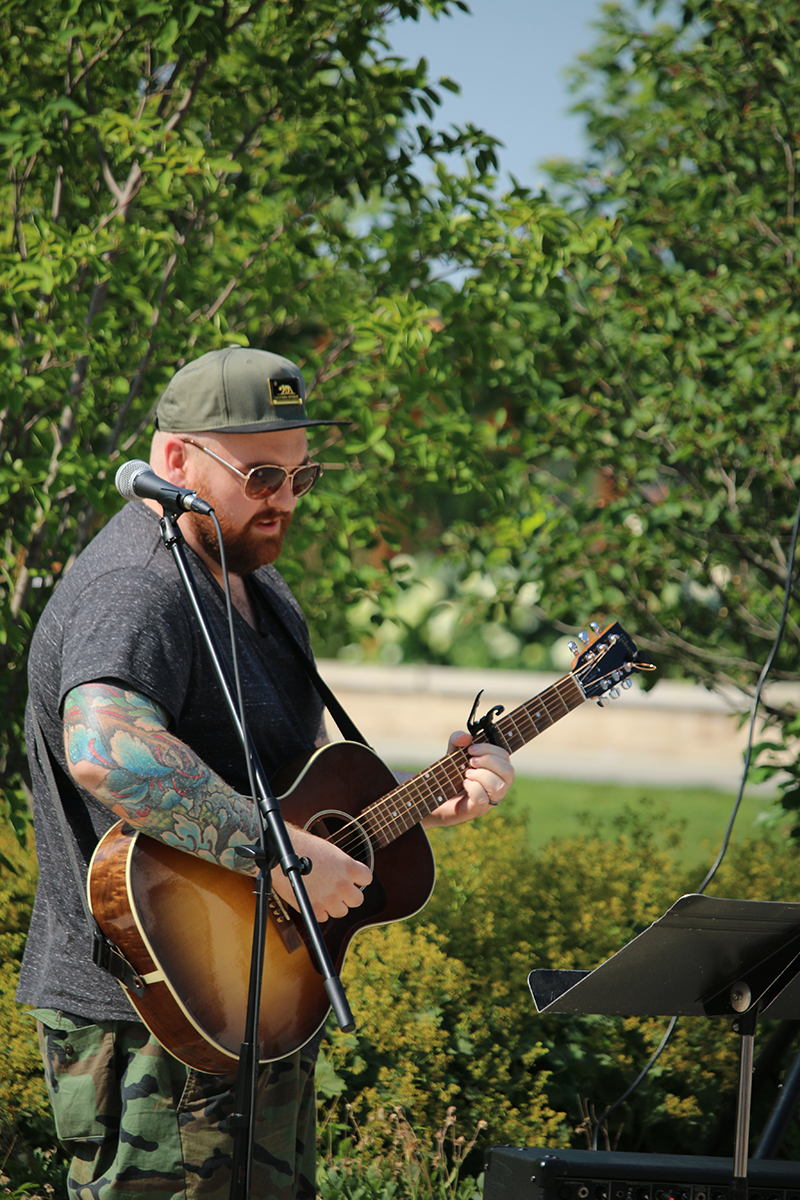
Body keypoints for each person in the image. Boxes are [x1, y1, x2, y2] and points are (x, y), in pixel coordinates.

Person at [16, 346, 514, 1200]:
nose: (284, 500)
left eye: (299, 476)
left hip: (261, 990)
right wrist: (280, 853)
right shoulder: (139, 586)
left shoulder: (260, 586)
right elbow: (106, 750)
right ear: (175, 461)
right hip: (148, 1018)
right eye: (259, 475)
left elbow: (291, 784)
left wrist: (428, 795)